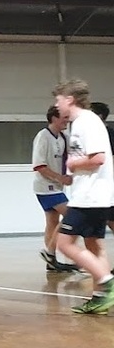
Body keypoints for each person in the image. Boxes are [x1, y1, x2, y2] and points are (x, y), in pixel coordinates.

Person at [51, 80, 114, 315]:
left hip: (89, 195)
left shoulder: (85, 122)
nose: (56, 106)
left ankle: (106, 280)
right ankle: (100, 297)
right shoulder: (80, 123)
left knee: (64, 243)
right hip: (94, 194)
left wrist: (73, 163)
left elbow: (98, 158)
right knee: (94, 245)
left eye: (58, 100)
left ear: (69, 100)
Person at [31, 106, 76, 272]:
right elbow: (40, 166)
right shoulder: (43, 137)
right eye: (64, 117)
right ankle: (49, 252)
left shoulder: (64, 137)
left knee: (52, 223)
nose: (66, 121)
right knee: (72, 214)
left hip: (56, 186)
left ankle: (51, 261)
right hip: (46, 187)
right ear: (54, 118)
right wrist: (60, 177)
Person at [88, 102, 114, 237]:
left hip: (108, 183)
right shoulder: (90, 134)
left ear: (99, 116)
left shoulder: (110, 134)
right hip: (96, 184)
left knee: (110, 219)